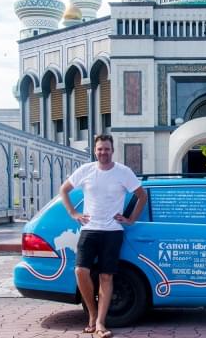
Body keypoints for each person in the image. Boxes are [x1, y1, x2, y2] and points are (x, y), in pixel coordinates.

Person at [59, 134, 147, 338]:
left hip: (113, 231)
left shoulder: (123, 172)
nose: (103, 152)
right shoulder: (86, 170)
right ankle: (92, 313)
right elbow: (64, 190)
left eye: (107, 149)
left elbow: (142, 195)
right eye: (100, 149)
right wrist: (73, 213)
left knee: (106, 276)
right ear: (95, 150)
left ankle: (100, 322)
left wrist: (131, 219)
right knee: (81, 271)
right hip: (89, 230)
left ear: (112, 150)